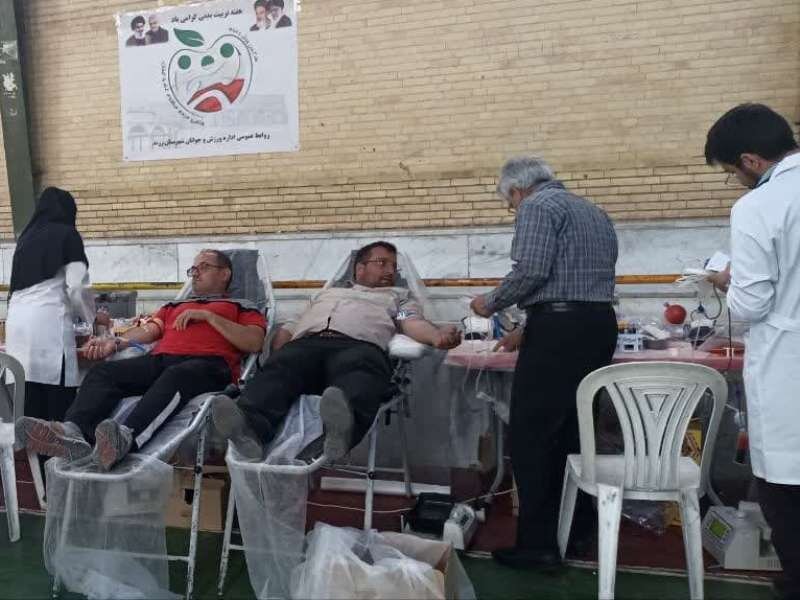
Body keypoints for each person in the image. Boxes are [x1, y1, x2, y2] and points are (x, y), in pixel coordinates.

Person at [470, 156, 618, 570]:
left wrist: (489, 303)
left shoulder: (537, 206)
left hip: (559, 332)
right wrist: (530, 326)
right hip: (597, 324)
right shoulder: (593, 211)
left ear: (517, 190)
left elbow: (532, 271)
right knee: (575, 434)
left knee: (532, 437)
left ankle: (538, 546)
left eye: (510, 203)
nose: (513, 209)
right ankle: (578, 532)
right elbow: (577, 279)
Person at [16, 250, 267, 471]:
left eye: (204, 267)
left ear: (225, 274)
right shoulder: (174, 306)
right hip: (162, 359)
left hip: (211, 365)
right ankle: (74, 434)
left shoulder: (241, 306)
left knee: (177, 375)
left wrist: (209, 317)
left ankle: (125, 438)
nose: (195, 274)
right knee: (104, 372)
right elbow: (149, 331)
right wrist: (115, 342)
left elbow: (254, 342)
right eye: (193, 269)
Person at [212, 241, 461, 462]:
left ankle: (341, 433)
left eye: (393, 266)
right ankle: (249, 430)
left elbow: (411, 322)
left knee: (358, 375)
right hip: (308, 345)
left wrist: (436, 336)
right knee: (279, 370)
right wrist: (279, 351)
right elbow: (293, 324)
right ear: (359, 268)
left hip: (358, 346)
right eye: (382, 263)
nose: (390, 271)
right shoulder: (325, 295)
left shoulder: (399, 298)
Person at [705, 103, 800, 600]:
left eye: (731, 172)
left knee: (786, 486)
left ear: (751, 160)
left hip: (789, 365)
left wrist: (728, 281)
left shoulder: (760, 206)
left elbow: (751, 303)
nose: (736, 181)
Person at [6, 188, 95, 423]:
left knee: (30, 400)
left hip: (17, 326)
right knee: (58, 401)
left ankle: (33, 447)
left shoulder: (25, 238)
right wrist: (93, 320)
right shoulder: (68, 235)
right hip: (48, 326)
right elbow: (77, 287)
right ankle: (58, 446)